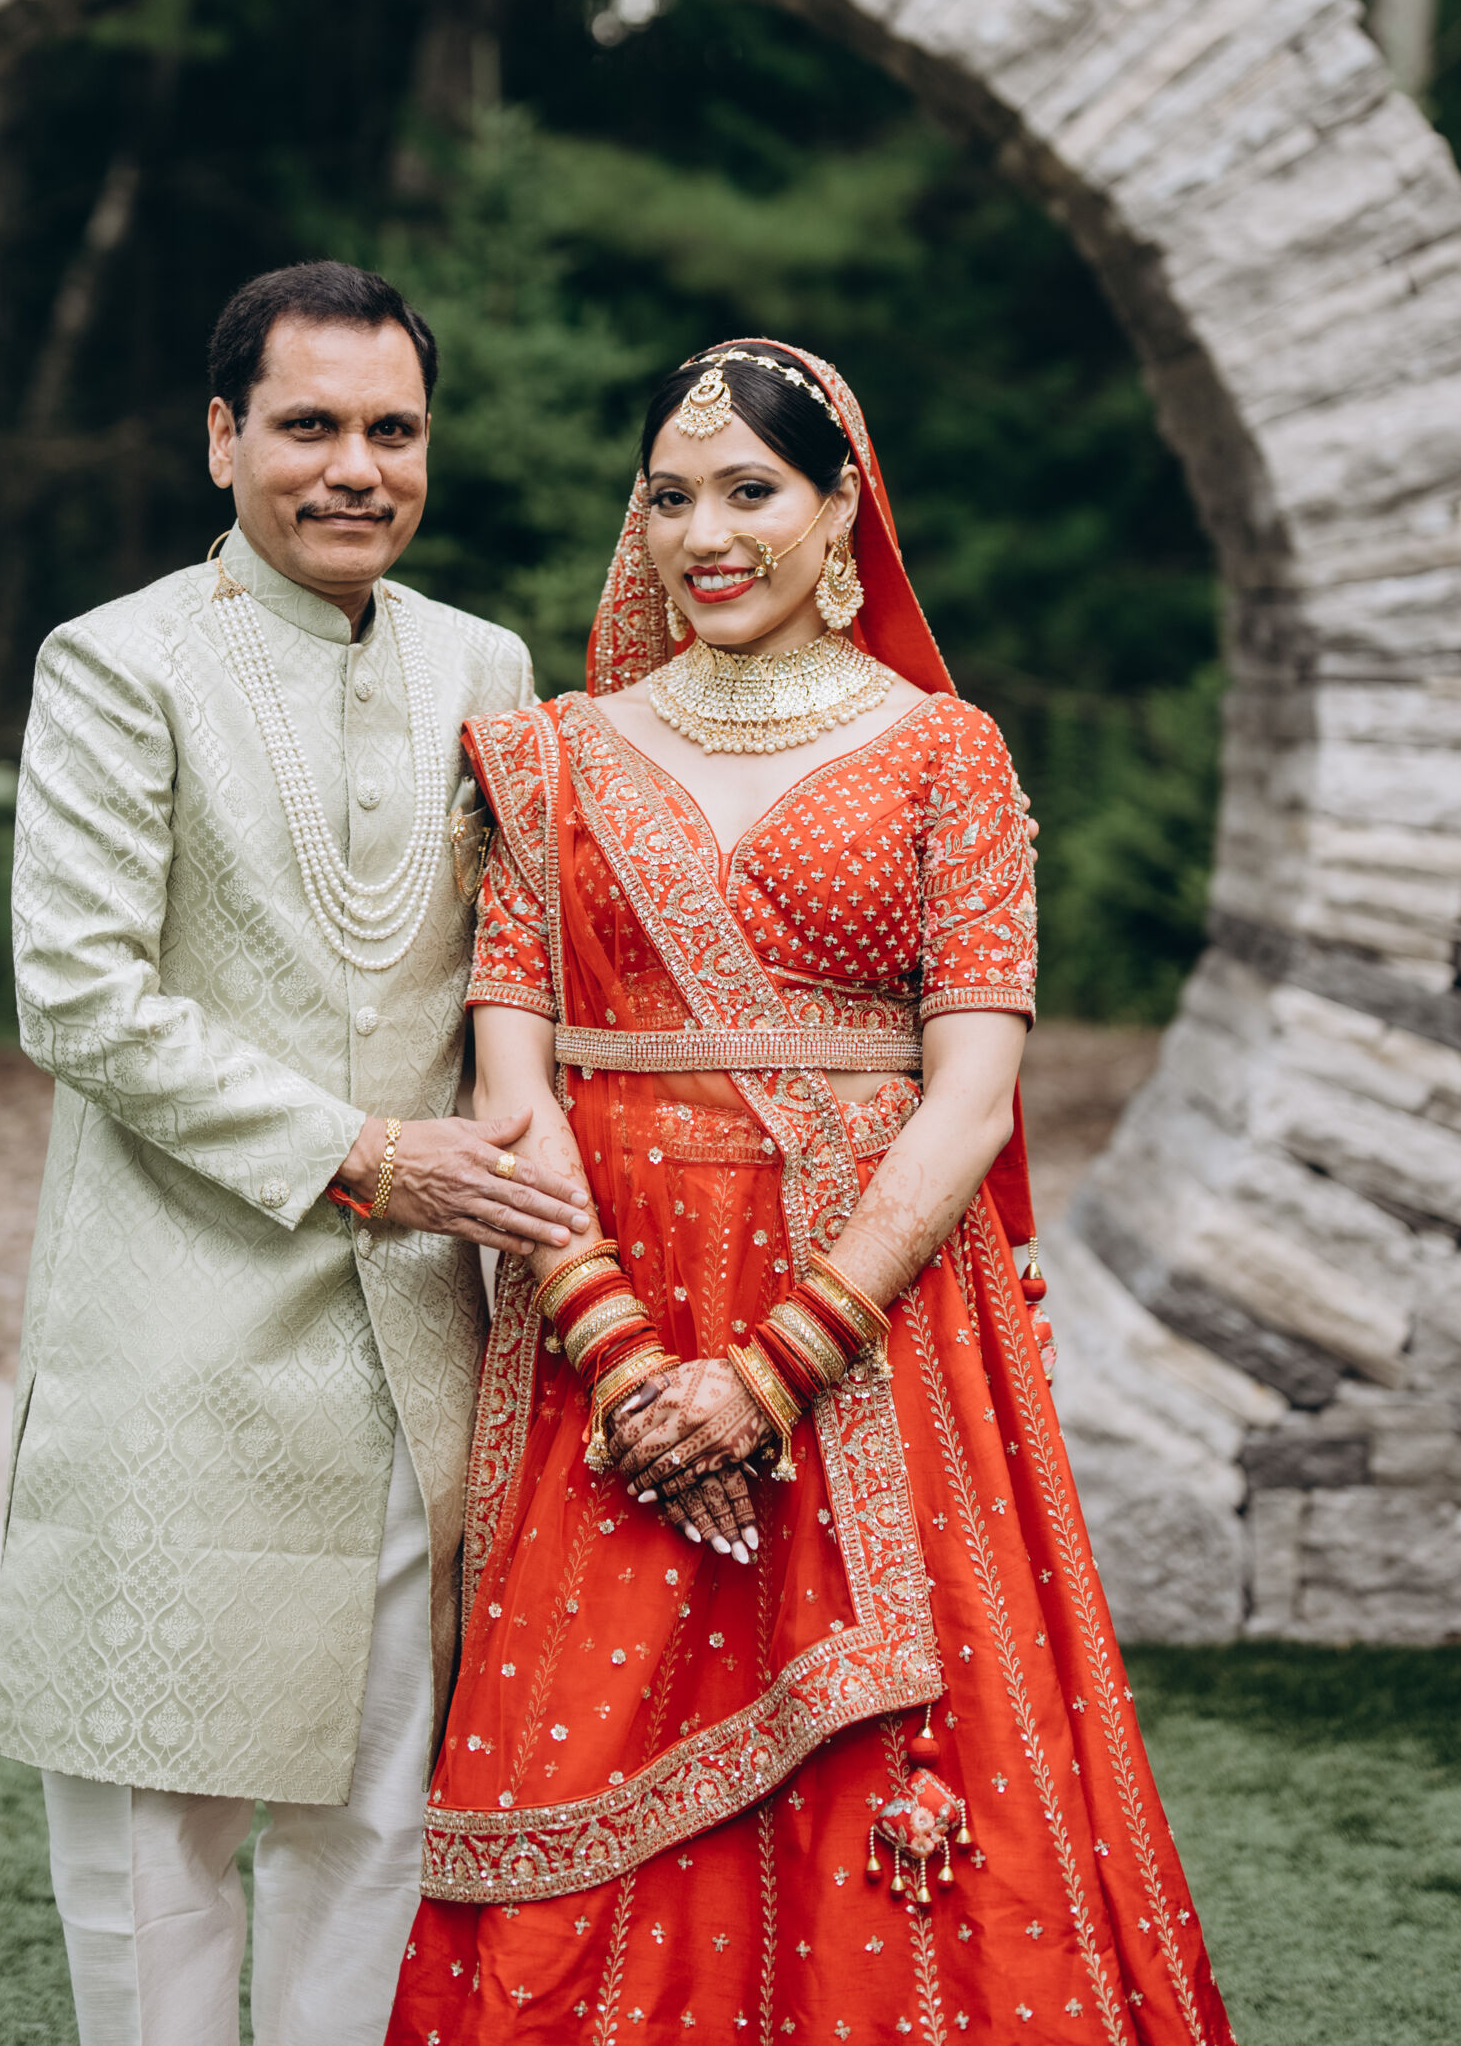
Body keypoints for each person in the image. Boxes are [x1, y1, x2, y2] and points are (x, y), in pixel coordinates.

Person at [389, 339, 1234, 2046]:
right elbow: (509, 1089)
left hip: (876, 1332)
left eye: (750, 490)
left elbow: (972, 1093)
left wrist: (770, 1371)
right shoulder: (548, 758)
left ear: (845, 506)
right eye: (670, 496)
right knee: (571, 1764)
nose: (705, 532)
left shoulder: (946, 754)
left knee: (906, 1799)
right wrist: (632, 1365)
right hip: (604, 1325)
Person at [0, 260, 591, 2046]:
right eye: (309, 425)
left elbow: (523, 966)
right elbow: (80, 998)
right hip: (181, 1339)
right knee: (157, 1848)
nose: (355, 469)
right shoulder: (119, 660)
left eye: (394, 429)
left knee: (381, 1833)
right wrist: (374, 1155)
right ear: (222, 436)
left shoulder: (483, 667)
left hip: (417, 1351)